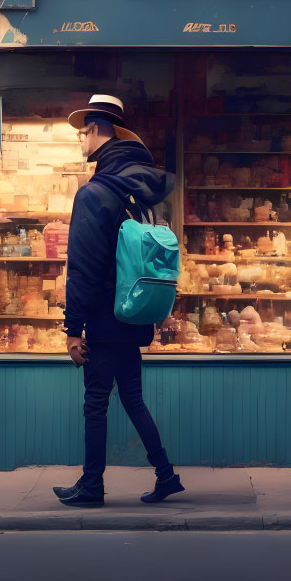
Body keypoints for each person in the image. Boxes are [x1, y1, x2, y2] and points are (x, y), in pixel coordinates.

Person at [52, 93, 183, 508]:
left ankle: (92, 487)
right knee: (131, 397)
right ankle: (166, 475)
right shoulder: (138, 195)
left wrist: (74, 330)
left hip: (105, 321)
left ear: (94, 132)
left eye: (82, 134)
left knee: (95, 403)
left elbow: (84, 269)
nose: (80, 142)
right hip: (135, 313)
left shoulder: (94, 194)